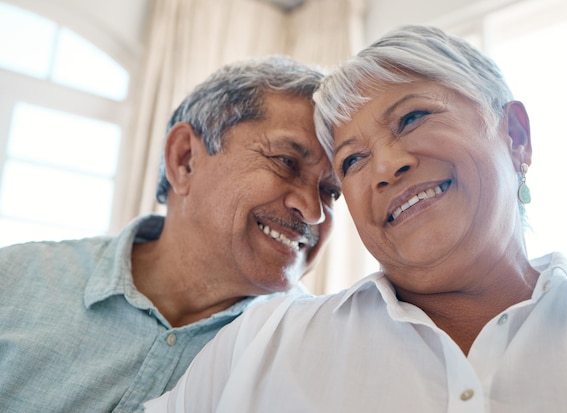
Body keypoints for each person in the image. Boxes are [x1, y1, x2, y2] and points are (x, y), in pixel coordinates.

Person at [144, 25, 567, 413]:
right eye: (352, 161)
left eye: (412, 118)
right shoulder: (262, 339)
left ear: (516, 137)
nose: (385, 167)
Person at [0, 56, 340, 413]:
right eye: (286, 161)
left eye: (332, 191)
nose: (314, 210)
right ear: (185, 159)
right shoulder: (14, 281)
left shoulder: (318, 355)